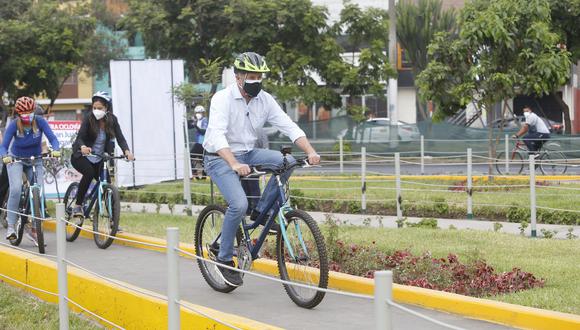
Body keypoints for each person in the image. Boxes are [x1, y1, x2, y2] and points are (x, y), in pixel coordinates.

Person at [203, 52, 320, 287]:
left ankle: (262, 211)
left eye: (259, 76)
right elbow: (216, 135)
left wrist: (310, 151)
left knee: (285, 162)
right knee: (239, 205)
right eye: (252, 76)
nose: (257, 80)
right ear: (238, 78)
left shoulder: (265, 99)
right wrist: (233, 163)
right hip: (219, 157)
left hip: (249, 153)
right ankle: (224, 259)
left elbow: (288, 124)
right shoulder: (222, 99)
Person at [0, 96, 60, 240]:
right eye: (24, 113)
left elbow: (53, 138)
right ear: (18, 114)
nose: (28, 115)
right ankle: (11, 227)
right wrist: (4, 156)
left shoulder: (40, 121)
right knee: (15, 189)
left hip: (35, 159)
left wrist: (56, 149)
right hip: (16, 159)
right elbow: (4, 146)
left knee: (38, 190)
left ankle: (35, 226)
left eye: (30, 111)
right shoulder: (14, 125)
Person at [70, 91, 134, 217]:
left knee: (108, 186)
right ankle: (78, 205)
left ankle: (113, 221)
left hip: (99, 159)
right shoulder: (88, 118)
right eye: (94, 108)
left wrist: (127, 151)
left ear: (106, 108)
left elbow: (120, 138)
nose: (96, 110)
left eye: (99, 108)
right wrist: (82, 147)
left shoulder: (112, 120)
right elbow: (80, 137)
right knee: (89, 173)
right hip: (81, 156)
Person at [189, 105, 208, 179]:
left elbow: (203, 132)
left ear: (203, 113)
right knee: (195, 157)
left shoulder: (205, 120)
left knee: (201, 159)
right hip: (198, 143)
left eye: (200, 112)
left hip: (203, 143)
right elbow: (190, 126)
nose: (198, 114)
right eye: (197, 112)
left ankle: (203, 176)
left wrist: (195, 126)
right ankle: (196, 174)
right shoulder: (197, 120)